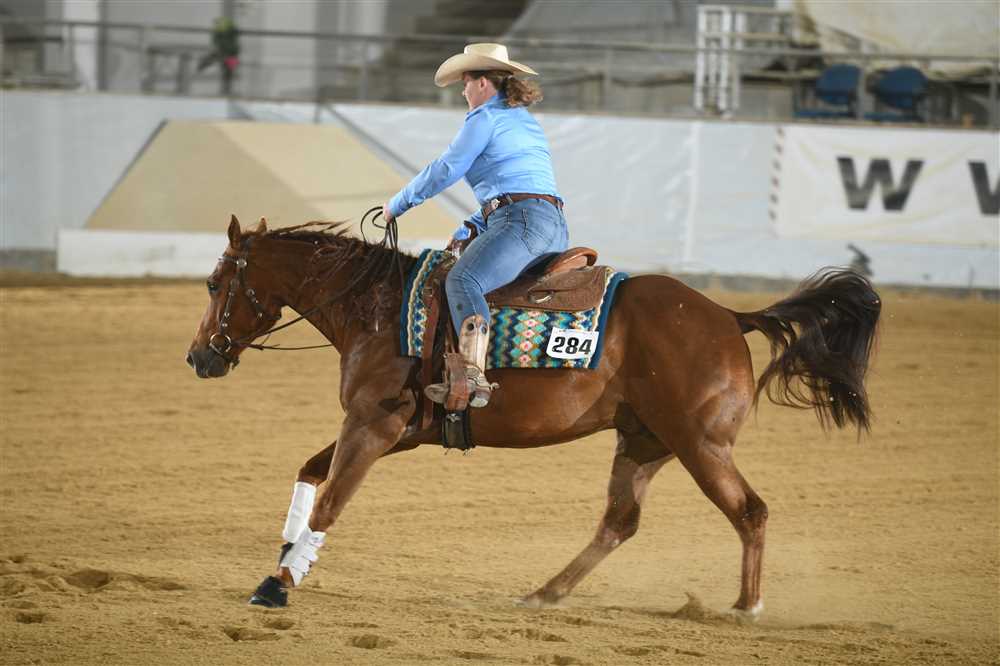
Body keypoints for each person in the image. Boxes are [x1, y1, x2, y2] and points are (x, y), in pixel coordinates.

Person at [382, 43, 568, 409]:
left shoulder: (484, 118)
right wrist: (471, 227)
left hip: (520, 222)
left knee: (463, 281)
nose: (463, 92)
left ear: (482, 83)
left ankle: (471, 375)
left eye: (465, 83)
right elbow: (515, 188)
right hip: (551, 225)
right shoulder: (524, 121)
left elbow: (446, 169)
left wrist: (397, 204)